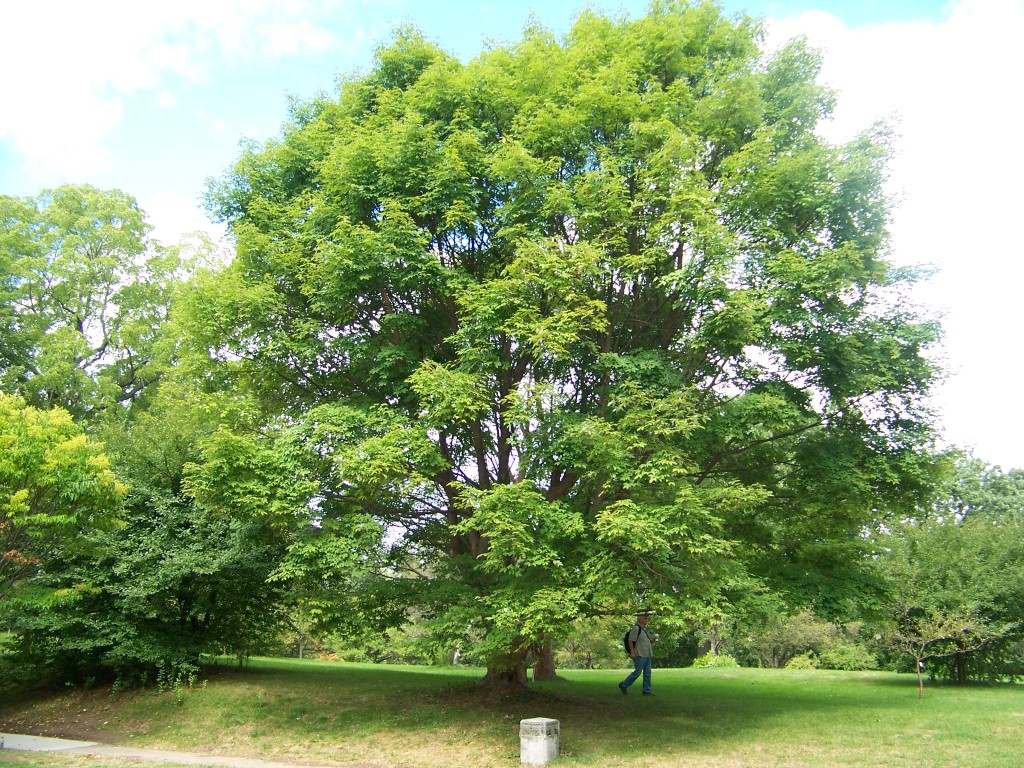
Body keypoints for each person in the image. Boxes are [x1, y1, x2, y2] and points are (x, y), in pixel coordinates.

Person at [619, 611, 658, 695]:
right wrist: (632, 653)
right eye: (645, 618)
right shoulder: (636, 628)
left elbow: (646, 642)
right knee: (637, 672)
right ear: (640, 619)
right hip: (640, 654)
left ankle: (646, 691)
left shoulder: (645, 629)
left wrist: (653, 640)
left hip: (647, 654)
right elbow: (630, 640)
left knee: (647, 673)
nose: (647, 619)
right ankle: (624, 685)